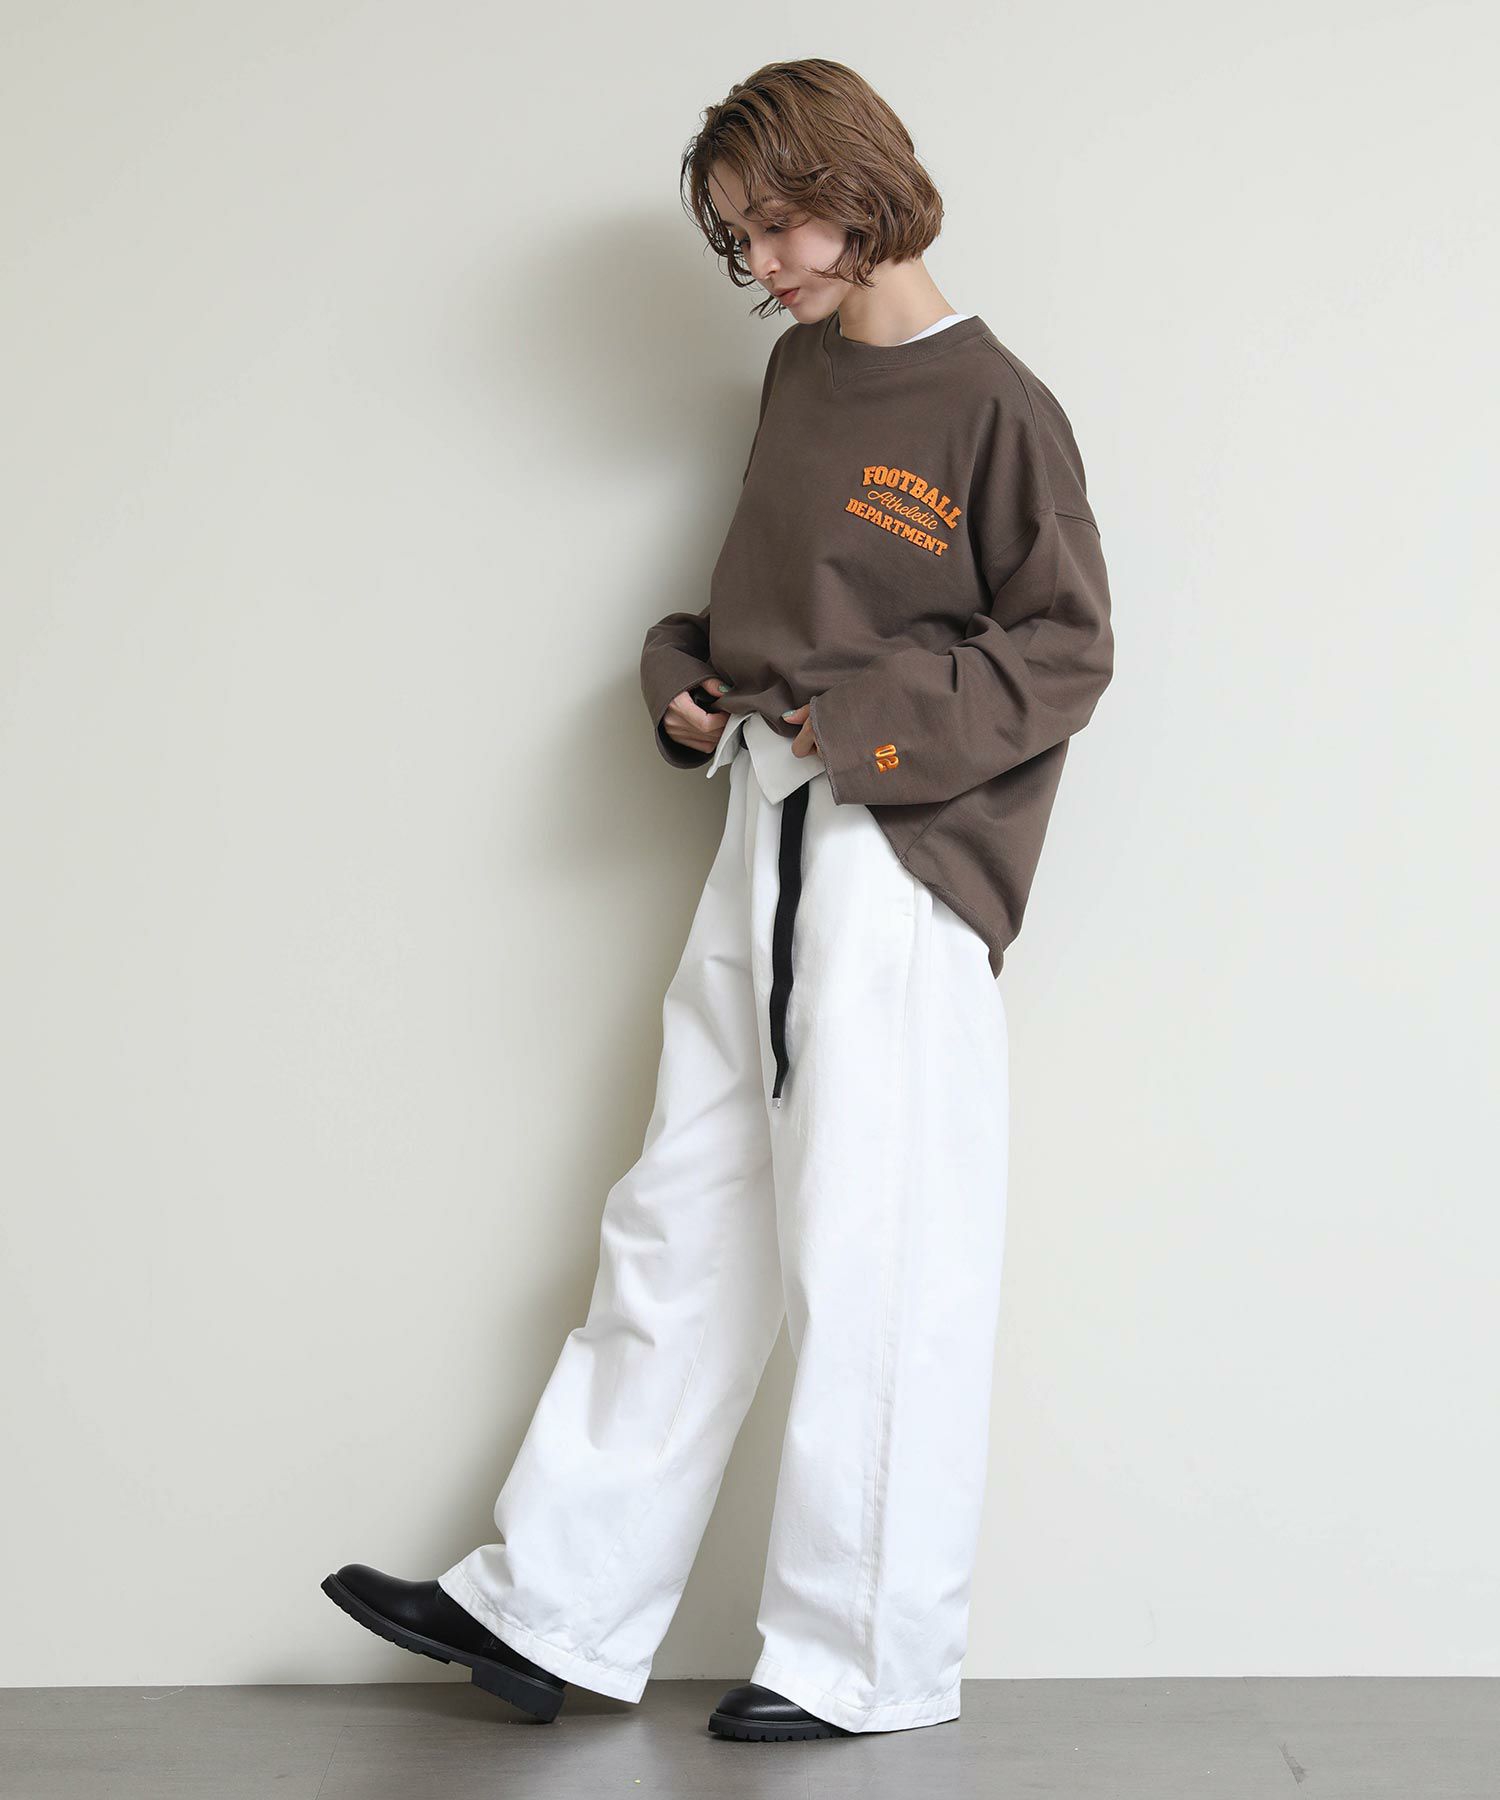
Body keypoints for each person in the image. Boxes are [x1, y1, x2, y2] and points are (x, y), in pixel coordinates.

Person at [322, 56, 1114, 1745]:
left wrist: (864, 725)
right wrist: (683, 679)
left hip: (898, 865)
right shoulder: (798, 378)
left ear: (863, 186)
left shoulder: (997, 408)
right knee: (681, 1217)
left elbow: (1066, 652)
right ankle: (554, 1606)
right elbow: (763, 615)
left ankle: (865, 1658)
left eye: (779, 227)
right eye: (741, 239)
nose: (761, 267)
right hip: (763, 822)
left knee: (878, 1251)